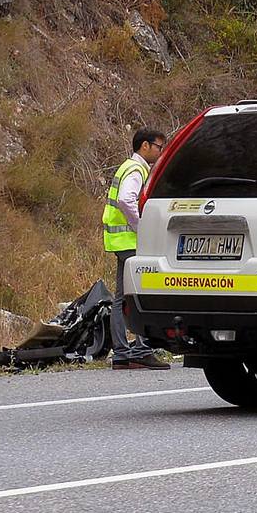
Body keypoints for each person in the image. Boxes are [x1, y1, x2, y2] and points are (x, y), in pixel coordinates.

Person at [104, 127, 170, 370]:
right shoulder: (136, 169)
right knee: (140, 294)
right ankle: (140, 350)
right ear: (145, 146)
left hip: (121, 242)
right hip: (131, 241)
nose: (160, 152)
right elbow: (125, 200)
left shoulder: (128, 166)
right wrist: (142, 228)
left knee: (122, 297)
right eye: (158, 147)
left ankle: (122, 353)